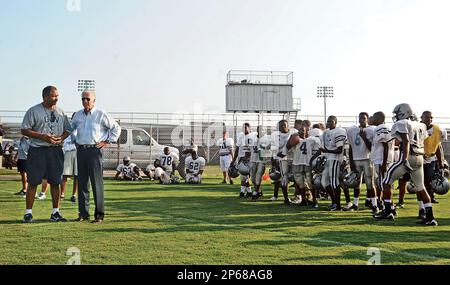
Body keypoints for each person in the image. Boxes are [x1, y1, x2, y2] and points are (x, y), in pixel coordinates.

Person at [374, 103, 437, 226]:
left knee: (386, 181)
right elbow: (422, 141)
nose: (396, 116)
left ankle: (388, 211)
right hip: (419, 157)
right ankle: (430, 217)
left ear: (404, 112)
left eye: (397, 113)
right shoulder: (421, 125)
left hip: (409, 157)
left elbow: (406, 141)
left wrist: (404, 159)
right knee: (421, 187)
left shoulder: (402, 123)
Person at [21, 86, 71, 223]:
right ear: (45, 96)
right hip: (38, 150)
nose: (56, 98)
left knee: (55, 182)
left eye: (57, 95)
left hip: (55, 150)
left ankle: (56, 212)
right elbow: (24, 129)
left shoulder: (61, 112)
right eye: (53, 96)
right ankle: (28, 213)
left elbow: (68, 129)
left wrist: (61, 138)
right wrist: (42, 136)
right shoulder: (33, 111)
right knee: (33, 182)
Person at [71, 90, 121, 223]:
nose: (85, 101)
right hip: (81, 151)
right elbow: (71, 129)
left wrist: (107, 141)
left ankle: (99, 215)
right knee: (82, 184)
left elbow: (116, 128)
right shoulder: (77, 115)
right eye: (83, 99)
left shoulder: (100, 114)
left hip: (94, 151)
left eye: (88, 99)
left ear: (94, 100)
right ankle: (83, 214)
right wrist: (74, 140)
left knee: (96, 184)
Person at [345, 112, 375, 211]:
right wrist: (351, 162)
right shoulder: (352, 130)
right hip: (356, 159)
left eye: (363, 118)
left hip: (367, 159)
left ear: (367, 119)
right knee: (356, 183)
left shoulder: (371, 130)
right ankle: (355, 204)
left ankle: (374, 203)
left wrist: (364, 137)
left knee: (370, 183)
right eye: (360, 118)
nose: (361, 120)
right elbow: (350, 147)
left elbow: (372, 148)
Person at [319, 116, 347, 211]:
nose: (329, 123)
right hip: (328, 159)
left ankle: (338, 205)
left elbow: (339, 150)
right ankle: (334, 202)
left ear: (335, 122)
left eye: (331, 121)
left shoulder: (339, 131)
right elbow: (322, 148)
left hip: (335, 159)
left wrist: (326, 150)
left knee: (335, 182)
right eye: (328, 121)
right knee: (324, 182)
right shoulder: (325, 132)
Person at [289, 126, 322, 208]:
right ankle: (304, 200)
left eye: (302, 130)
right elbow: (288, 147)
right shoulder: (295, 139)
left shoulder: (312, 140)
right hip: (297, 163)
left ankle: (314, 200)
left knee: (311, 183)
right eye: (299, 130)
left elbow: (320, 149)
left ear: (307, 131)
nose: (300, 131)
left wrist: (313, 159)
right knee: (300, 184)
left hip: (307, 163)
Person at [370, 111, 395, 214]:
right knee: (386, 185)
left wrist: (384, 163)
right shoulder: (386, 128)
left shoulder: (380, 128)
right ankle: (391, 208)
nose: (372, 120)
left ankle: (387, 209)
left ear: (380, 119)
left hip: (382, 160)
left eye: (374, 118)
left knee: (384, 185)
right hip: (383, 160)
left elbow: (385, 146)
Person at [421, 111, 444, 204]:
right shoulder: (417, 128)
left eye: (431, 117)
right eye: (427, 117)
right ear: (421, 118)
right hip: (420, 158)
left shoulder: (437, 129)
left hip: (432, 158)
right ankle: (425, 198)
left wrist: (441, 160)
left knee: (431, 178)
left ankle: (431, 195)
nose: (429, 119)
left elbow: (438, 146)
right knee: (423, 180)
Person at [231, 123, 257, 198]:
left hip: (250, 159)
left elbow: (254, 149)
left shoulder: (253, 136)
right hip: (241, 158)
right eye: (243, 128)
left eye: (246, 127)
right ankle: (245, 192)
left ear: (250, 128)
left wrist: (249, 156)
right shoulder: (240, 136)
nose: (244, 129)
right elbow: (237, 148)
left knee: (251, 177)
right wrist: (234, 159)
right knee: (244, 176)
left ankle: (254, 191)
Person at [249, 126, 271, 200]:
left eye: (263, 130)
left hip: (261, 160)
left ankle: (255, 192)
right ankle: (258, 190)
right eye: (260, 129)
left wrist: (267, 156)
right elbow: (249, 149)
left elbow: (270, 150)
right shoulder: (252, 138)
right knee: (252, 177)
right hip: (253, 159)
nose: (261, 131)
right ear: (257, 130)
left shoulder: (267, 139)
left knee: (258, 175)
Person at [61, 126, 78, 202]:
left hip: (77, 152)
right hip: (67, 152)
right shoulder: (67, 129)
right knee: (65, 174)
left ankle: (74, 195)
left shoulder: (82, 129)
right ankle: (62, 194)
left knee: (77, 175)